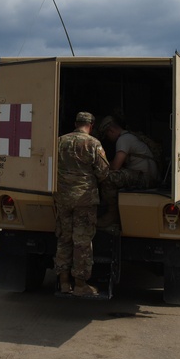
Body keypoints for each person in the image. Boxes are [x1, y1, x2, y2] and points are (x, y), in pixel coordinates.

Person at [53, 111, 109, 297]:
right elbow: (103, 172)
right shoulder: (93, 143)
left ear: (75, 123)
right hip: (84, 200)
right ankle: (80, 284)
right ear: (91, 125)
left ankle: (63, 282)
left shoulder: (60, 141)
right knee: (82, 242)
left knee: (64, 238)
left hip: (62, 199)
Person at [97, 115, 159, 228]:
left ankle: (112, 215)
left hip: (144, 178)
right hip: (147, 177)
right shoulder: (130, 137)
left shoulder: (123, 139)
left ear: (111, 131)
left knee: (108, 177)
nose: (108, 139)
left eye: (107, 135)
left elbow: (115, 166)